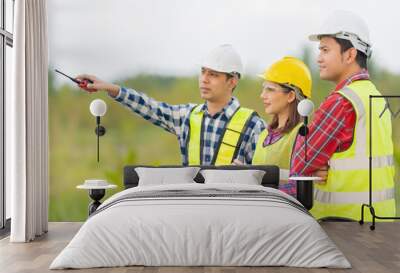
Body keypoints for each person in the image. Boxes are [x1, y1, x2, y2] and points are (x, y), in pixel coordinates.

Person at [77, 44, 265, 165]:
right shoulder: (187, 116)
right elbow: (149, 107)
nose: (204, 80)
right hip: (192, 209)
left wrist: (247, 175)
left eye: (213, 75)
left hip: (232, 215)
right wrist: (109, 87)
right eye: (203, 72)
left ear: (232, 81)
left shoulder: (253, 125)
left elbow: (263, 179)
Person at [290, 10, 396, 221]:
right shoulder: (374, 96)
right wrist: (321, 165)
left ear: (350, 55)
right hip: (380, 223)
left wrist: (315, 168)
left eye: (325, 50)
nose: (318, 58)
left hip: (344, 227)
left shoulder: (342, 101)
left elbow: (299, 165)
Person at [251, 57, 312, 196]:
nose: (262, 95)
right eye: (263, 89)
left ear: (291, 96)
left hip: (286, 214)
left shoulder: (302, 135)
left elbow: (299, 189)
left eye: (270, 90)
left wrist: (255, 186)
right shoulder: (264, 135)